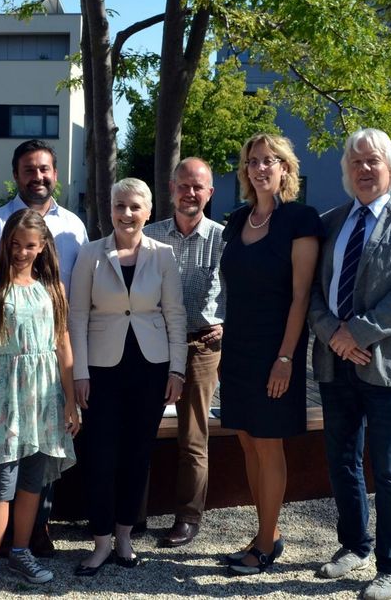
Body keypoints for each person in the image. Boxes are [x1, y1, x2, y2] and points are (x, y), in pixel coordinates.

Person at [308, 128, 391, 600]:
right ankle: (353, 545)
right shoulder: (331, 221)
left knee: (389, 469)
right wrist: (333, 336)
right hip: (334, 360)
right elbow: (313, 292)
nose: (364, 169)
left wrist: (355, 333)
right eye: (356, 162)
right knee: (341, 460)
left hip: (388, 364)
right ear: (346, 170)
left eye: (373, 161)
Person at [0, 138, 88, 555]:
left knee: (36, 474)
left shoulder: (73, 227)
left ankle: (31, 539)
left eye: (44, 169)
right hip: (5, 377)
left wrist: (73, 392)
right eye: (29, 170)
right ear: (16, 175)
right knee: (3, 477)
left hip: (48, 381)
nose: (38, 176)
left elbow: (66, 333)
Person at [69, 178, 187, 575]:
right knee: (100, 455)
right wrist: (79, 372)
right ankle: (101, 541)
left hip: (151, 368)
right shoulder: (90, 254)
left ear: (149, 212)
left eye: (135, 207)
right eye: (120, 206)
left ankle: (124, 536)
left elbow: (175, 313)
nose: (127, 214)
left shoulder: (163, 254)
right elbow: (77, 316)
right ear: (111, 210)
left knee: (138, 455)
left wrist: (177, 368)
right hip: (101, 370)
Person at [218, 133, 320, 576]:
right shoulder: (235, 219)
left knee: (267, 443)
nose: (261, 168)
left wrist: (285, 358)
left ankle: (264, 545)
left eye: (270, 161)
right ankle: (267, 533)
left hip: (276, 351)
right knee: (246, 440)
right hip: (237, 348)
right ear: (245, 171)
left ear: (286, 169)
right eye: (254, 161)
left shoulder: (301, 219)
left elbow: (300, 298)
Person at [142, 157, 226, 548]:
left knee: (193, 437)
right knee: (138, 431)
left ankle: (188, 518)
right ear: (171, 189)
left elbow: (241, 294)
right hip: (152, 343)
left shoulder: (225, 239)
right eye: (183, 185)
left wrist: (227, 323)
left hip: (202, 345)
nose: (189, 193)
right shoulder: (149, 236)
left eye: (198, 187)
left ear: (209, 192)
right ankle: (132, 514)